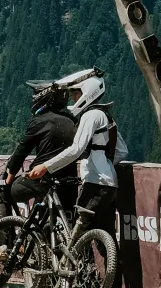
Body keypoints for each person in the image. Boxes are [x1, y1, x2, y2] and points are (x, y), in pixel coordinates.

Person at [27, 67, 127, 242]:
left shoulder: (90, 115)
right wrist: (105, 163)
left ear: (87, 91)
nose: (73, 98)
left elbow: (76, 149)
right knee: (106, 237)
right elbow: (122, 151)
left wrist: (45, 166)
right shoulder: (105, 114)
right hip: (110, 185)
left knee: (78, 235)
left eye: (75, 93)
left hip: (95, 184)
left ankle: (74, 268)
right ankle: (113, 270)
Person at [0, 79, 78, 224]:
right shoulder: (72, 120)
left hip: (41, 179)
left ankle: (2, 242)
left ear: (42, 97)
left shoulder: (40, 121)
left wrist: (7, 180)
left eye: (35, 94)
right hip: (69, 181)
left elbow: (21, 152)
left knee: (2, 192)